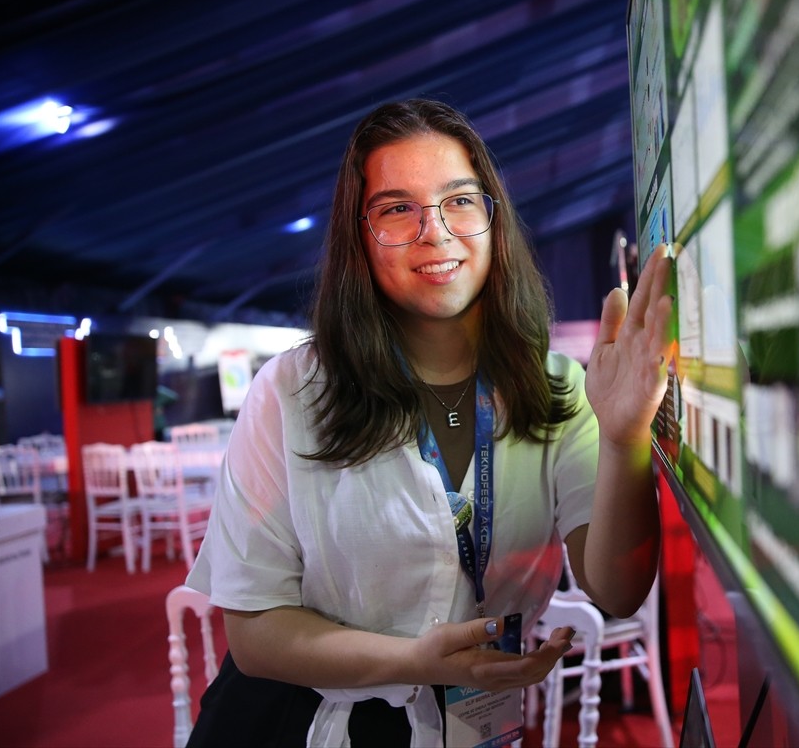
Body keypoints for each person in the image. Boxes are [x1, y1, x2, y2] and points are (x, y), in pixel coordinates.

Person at [184, 98, 675, 747]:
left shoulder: (559, 389)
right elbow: (254, 637)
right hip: (304, 726)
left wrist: (624, 439)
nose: (435, 231)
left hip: (474, 729)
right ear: (359, 236)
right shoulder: (292, 391)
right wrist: (415, 663)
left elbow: (616, 588)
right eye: (396, 209)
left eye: (459, 201)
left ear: (493, 218)